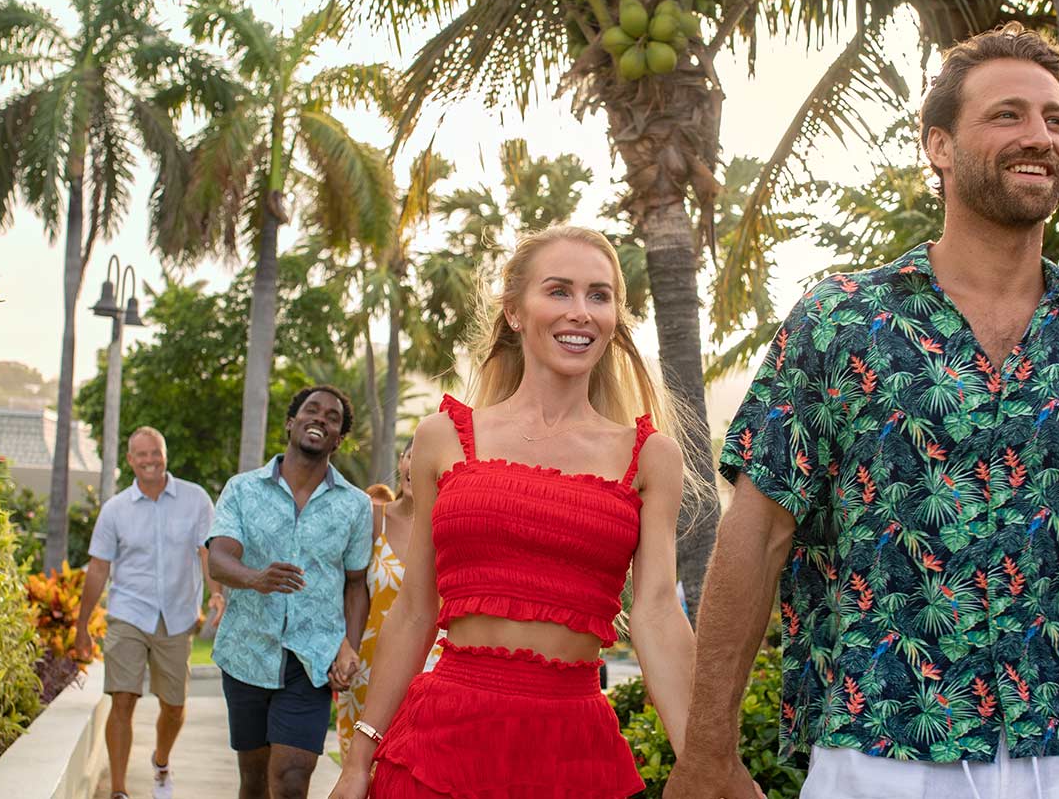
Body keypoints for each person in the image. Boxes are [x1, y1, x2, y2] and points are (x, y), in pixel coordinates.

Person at [664, 22, 1059, 799]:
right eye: (1007, 114)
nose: (1039, 135)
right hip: (879, 750)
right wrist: (705, 756)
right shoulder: (841, 322)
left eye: (1055, 118)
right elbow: (758, 531)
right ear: (938, 145)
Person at [329, 225, 696, 799]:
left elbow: (656, 615)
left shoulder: (650, 456)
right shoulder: (443, 438)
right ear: (515, 311)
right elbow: (415, 610)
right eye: (559, 291)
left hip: (574, 755)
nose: (581, 312)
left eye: (599, 296)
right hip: (438, 747)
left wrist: (706, 764)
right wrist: (358, 762)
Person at [208, 385, 373, 799]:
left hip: (311, 658)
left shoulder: (354, 506)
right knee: (254, 777)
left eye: (332, 418)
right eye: (311, 411)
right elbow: (219, 558)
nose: (320, 418)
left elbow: (355, 584)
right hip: (247, 650)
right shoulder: (242, 490)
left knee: (293, 777)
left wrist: (349, 646)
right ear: (291, 422)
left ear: (338, 438)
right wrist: (254, 578)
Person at [73, 426, 223, 799]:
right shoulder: (116, 510)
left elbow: (207, 553)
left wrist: (216, 594)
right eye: (142, 455)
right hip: (129, 614)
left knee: (174, 706)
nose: (150, 461)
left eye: (155, 453)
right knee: (122, 698)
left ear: (165, 454)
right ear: (130, 460)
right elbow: (98, 568)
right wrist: (81, 626)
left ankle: (161, 760)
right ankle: (120, 791)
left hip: (177, 616)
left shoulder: (195, 499)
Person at [335, 440, 445, 756]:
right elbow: (343, 588)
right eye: (413, 455)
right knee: (360, 776)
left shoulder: (449, 528)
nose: (418, 465)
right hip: (368, 672)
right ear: (402, 461)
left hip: (432, 676)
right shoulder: (371, 519)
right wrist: (343, 644)